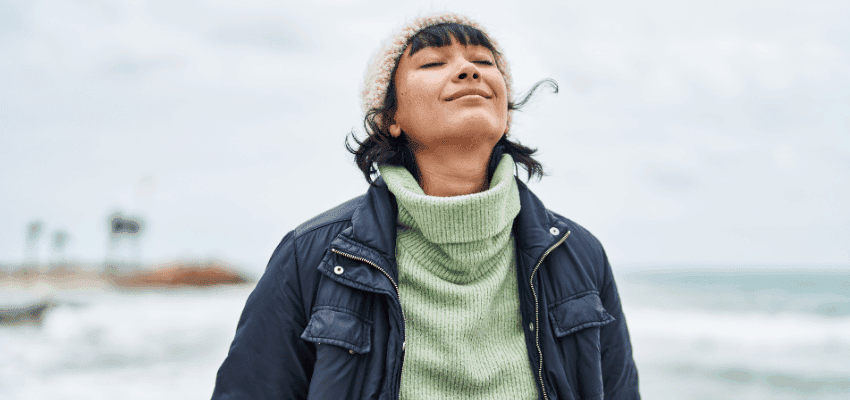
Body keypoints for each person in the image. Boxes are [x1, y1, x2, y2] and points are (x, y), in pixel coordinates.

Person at [212, 12, 640, 400]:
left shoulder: (579, 255)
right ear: (390, 118)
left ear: (506, 114)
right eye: (434, 63)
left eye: (484, 62)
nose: (468, 70)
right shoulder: (312, 256)